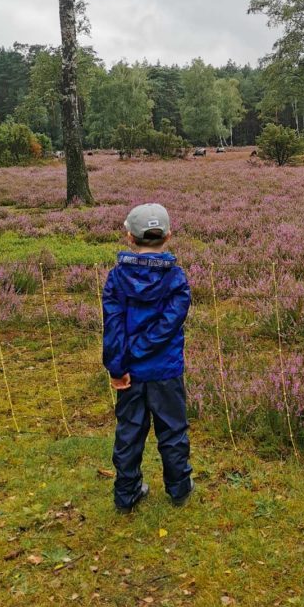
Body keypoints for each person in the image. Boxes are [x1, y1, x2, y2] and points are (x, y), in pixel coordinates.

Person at [102, 203, 193, 513]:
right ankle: (179, 488)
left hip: (130, 373)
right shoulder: (176, 279)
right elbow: (169, 325)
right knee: (173, 430)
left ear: (129, 237)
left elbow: (112, 325)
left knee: (129, 432)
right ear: (168, 236)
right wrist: (141, 351)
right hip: (165, 370)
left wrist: (119, 364)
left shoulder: (116, 279)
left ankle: (126, 494)